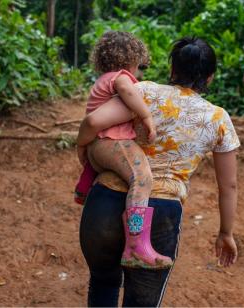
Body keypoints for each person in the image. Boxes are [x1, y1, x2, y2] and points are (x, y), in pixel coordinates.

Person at [77, 37, 240, 306]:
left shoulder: (143, 91)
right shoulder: (218, 119)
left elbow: (94, 122)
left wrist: (82, 150)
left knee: (103, 283)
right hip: (160, 213)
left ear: (173, 70)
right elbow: (229, 186)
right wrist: (226, 233)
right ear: (210, 78)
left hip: (104, 203)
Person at [74, 31, 173, 269]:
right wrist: (146, 115)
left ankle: (86, 190)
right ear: (132, 58)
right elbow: (127, 91)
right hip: (112, 142)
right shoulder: (120, 77)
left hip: (98, 148)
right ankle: (136, 244)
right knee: (141, 178)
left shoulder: (102, 79)